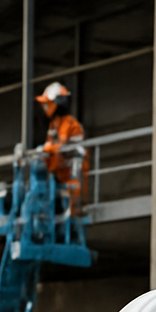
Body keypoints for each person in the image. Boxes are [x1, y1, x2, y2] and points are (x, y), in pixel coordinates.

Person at [35, 81, 88, 214]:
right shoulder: (54, 125)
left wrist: (47, 149)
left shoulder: (70, 124)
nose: (45, 107)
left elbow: (61, 146)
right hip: (58, 178)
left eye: (47, 103)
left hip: (72, 180)